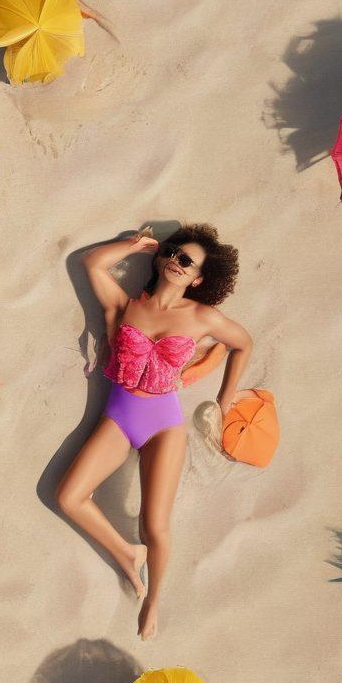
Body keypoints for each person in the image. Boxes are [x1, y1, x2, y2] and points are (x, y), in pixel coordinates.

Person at [56, 225, 252, 639]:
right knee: (68, 496)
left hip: (163, 424)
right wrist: (132, 245)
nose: (176, 262)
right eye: (173, 252)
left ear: (199, 278)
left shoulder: (202, 317)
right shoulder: (128, 305)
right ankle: (126, 553)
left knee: (155, 525)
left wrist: (225, 400)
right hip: (119, 416)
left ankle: (153, 601)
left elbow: (243, 344)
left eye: (187, 261)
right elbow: (91, 263)